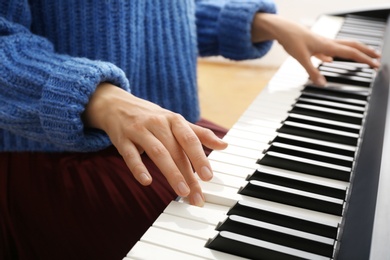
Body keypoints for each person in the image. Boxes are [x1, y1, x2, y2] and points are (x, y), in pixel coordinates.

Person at [0, 1, 380, 259]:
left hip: (171, 127)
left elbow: (147, 15)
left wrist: (256, 23)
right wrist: (96, 99)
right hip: (49, 150)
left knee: (295, 187)